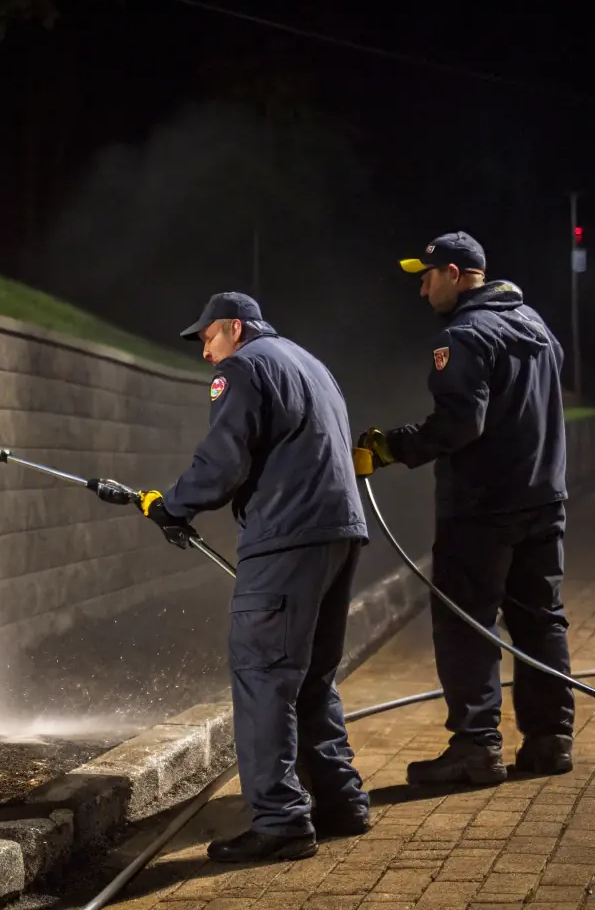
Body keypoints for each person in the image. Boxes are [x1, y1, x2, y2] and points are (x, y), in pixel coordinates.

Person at [135, 292, 371, 863]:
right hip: (339, 533)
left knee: (264, 676)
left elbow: (224, 457)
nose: (206, 353)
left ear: (235, 330)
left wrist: (175, 505)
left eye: (209, 338)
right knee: (311, 675)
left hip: (287, 535)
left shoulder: (243, 368)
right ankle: (340, 801)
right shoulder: (308, 362)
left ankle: (281, 821)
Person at [358, 231, 573, 786]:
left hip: (482, 509)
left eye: (427, 276)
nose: (422, 288)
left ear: (456, 274)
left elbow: (460, 424)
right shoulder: (538, 327)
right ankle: (550, 742)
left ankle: (476, 749)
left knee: (466, 625)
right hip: (544, 499)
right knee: (540, 619)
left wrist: (391, 448)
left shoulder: (464, 335)